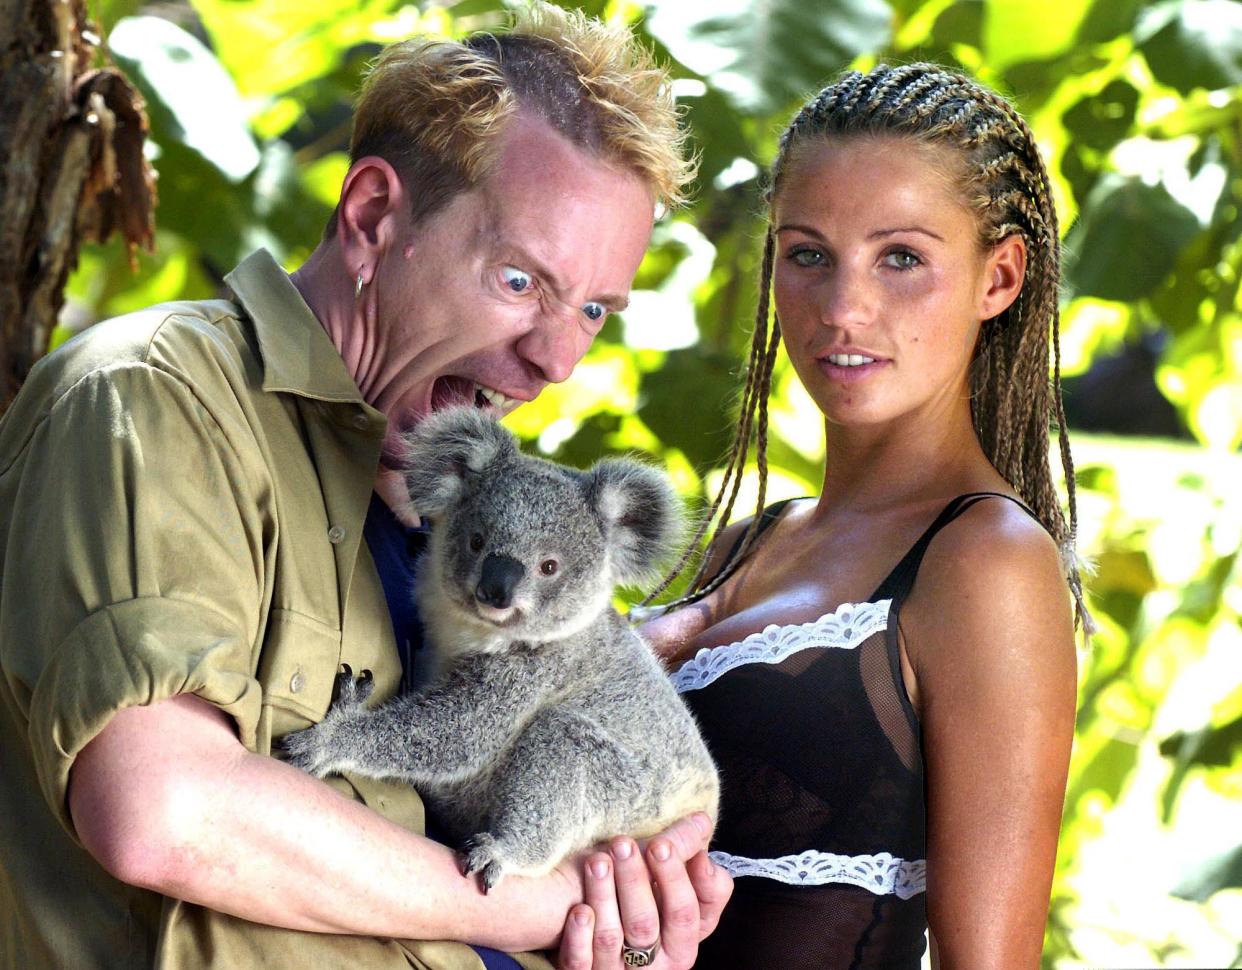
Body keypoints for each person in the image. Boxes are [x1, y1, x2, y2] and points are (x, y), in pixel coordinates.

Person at [0, 6, 732, 969]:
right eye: (520, 280)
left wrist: (624, 917)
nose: (557, 357)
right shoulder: (159, 395)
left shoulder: (441, 498)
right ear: (375, 217)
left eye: (592, 308)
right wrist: (526, 906)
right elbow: (162, 811)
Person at [588, 62, 1087, 969]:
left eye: (901, 258)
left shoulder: (985, 561)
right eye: (808, 254)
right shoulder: (746, 545)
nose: (843, 308)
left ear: (1000, 277)